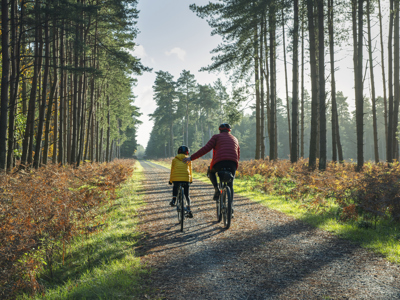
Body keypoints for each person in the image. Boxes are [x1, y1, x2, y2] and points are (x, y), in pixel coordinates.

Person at [183, 123, 240, 201]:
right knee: (230, 185)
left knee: (210, 171)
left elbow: (206, 149)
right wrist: (235, 165)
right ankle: (231, 207)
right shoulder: (235, 139)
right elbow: (238, 154)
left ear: (220, 130)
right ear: (229, 131)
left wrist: (191, 158)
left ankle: (216, 189)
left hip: (219, 163)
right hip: (232, 163)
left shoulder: (216, 137)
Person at [169, 145, 193, 218]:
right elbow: (190, 171)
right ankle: (188, 208)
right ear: (187, 152)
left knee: (175, 187)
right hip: (186, 179)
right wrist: (190, 180)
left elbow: (172, 171)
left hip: (176, 178)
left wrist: (171, 180)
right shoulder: (188, 160)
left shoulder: (174, 160)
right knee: (187, 194)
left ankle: (174, 199)